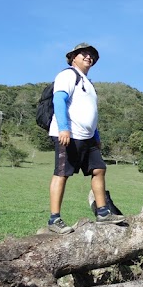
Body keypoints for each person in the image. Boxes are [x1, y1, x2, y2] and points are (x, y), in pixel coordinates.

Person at [46, 42, 126, 234]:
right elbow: (59, 100)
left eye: (91, 55)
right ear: (73, 57)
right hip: (69, 134)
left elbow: (92, 113)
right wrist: (64, 129)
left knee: (99, 169)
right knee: (62, 173)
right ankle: (54, 219)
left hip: (88, 137)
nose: (88, 57)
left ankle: (103, 213)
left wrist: (96, 136)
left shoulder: (89, 84)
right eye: (84, 53)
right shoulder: (67, 75)